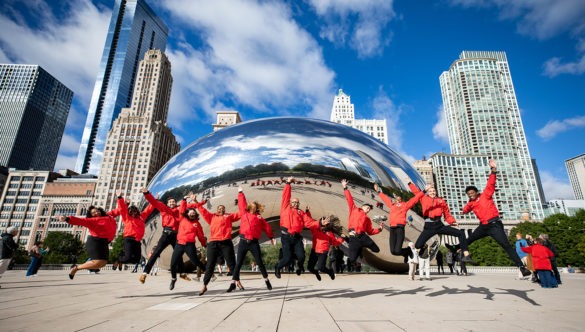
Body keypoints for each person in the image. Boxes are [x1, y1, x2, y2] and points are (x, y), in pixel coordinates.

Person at [462, 159, 531, 278]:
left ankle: (521, 267)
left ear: (476, 192)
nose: (471, 194)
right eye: (469, 194)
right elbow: (465, 210)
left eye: (472, 192)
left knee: (506, 245)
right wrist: (463, 210)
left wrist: (493, 170)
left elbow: (491, 184)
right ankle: (456, 249)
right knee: (468, 240)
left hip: (494, 225)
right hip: (483, 226)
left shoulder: (485, 195)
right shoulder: (471, 203)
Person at [409, 182, 473, 263]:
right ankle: (419, 254)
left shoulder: (441, 200)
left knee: (461, 233)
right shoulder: (423, 198)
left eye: (434, 191)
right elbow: (416, 192)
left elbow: (447, 213)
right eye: (430, 191)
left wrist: (452, 222)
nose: (432, 192)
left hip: (439, 225)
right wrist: (409, 183)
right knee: (418, 245)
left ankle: (466, 255)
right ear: (427, 192)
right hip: (429, 226)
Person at [226, 187, 275, 293]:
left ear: (256, 208)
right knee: (238, 263)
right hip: (243, 241)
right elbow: (241, 203)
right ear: (249, 207)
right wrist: (240, 193)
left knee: (259, 262)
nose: (252, 208)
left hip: (253, 243)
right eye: (251, 206)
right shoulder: (244, 213)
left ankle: (266, 280)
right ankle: (233, 283)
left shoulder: (259, 217)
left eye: (254, 206)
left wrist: (271, 237)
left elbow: (267, 227)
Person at [275, 177, 322, 279]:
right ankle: (278, 268)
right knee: (287, 258)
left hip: (297, 238)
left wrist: (320, 222)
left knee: (301, 256)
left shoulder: (301, 212)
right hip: (286, 237)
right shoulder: (285, 208)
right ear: (290, 203)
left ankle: (299, 267)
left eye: (297, 202)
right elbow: (286, 196)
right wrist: (288, 183)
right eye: (294, 202)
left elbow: (309, 222)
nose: (296, 204)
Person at [139, 188, 189, 284]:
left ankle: (182, 273)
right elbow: (154, 202)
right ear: (167, 204)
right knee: (156, 252)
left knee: (179, 254)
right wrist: (147, 193)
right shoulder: (164, 208)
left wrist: (185, 200)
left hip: (176, 235)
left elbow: (187, 208)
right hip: (166, 234)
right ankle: (145, 273)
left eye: (173, 201)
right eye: (170, 202)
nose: (172, 203)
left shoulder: (179, 209)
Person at [195, 194, 240, 295]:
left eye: (223, 208)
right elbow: (202, 211)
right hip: (214, 243)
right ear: (217, 210)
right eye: (219, 208)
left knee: (232, 263)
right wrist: (196, 202)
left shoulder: (229, 216)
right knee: (210, 265)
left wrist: (245, 205)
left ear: (225, 210)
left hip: (226, 242)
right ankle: (204, 286)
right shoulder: (211, 217)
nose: (221, 209)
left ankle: (237, 281)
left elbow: (240, 214)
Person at [60, 206, 117, 279]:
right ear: (91, 215)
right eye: (93, 213)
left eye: (97, 211)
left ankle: (76, 267)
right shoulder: (91, 221)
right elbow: (80, 221)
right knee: (97, 262)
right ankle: (76, 268)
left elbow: (117, 211)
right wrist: (67, 218)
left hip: (104, 242)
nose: (96, 213)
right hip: (95, 241)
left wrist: (121, 199)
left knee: (102, 263)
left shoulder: (108, 217)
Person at [374, 183, 426, 261]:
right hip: (392, 229)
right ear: (395, 200)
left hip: (400, 228)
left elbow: (415, 199)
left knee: (397, 251)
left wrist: (424, 191)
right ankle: (406, 253)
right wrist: (378, 191)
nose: (398, 200)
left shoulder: (405, 205)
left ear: (402, 200)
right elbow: (385, 198)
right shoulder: (392, 205)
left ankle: (408, 250)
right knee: (393, 252)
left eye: (400, 199)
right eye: (396, 199)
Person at [342, 179, 383, 270]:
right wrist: (345, 187)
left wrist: (379, 229)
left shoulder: (368, 219)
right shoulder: (354, 209)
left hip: (363, 237)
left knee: (376, 249)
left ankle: (362, 246)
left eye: (369, 209)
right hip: (354, 237)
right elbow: (349, 199)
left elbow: (370, 231)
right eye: (367, 208)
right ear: (363, 207)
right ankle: (359, 248)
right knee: (352, 259)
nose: (368, 210)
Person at [169, 197, 208, 291]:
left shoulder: (197, 224)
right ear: (187, 214)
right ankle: (173, 279)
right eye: (190, 213)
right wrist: (183, 200)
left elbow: (201, 235)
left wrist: (204, 244)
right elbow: (182, 209)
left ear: (195, 215)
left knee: (195, 261)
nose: (192, 214)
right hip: (179, 244)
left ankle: (207, 271)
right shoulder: (182, 218)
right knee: (173, 264)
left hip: (190, 245)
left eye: (194, 213)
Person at [113, 192, 154, 272]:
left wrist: (154, 200)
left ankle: (121, 260)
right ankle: (119, 260)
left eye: (135, 211)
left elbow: (148, 209)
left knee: (136, 260)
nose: (133, 213)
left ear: (137, 211)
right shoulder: (127, 218)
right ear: (129, 212)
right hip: (129, 239)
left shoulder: (141, 217)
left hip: (137, 240)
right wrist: (120, 197)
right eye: (131, 212)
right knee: (127, 257)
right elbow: (122, 208)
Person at [307, 215, 345, 281]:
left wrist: (342, 238)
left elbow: (335, 243)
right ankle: (316, 273)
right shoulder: (315, 229)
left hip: (323, 252)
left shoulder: (329, 233)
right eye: (322, 221)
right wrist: (307, 213)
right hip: (314, 250)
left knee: (321, 267)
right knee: (310, 268)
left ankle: (330, 272)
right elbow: (309, 223)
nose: (324, 222)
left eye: (326, 222)